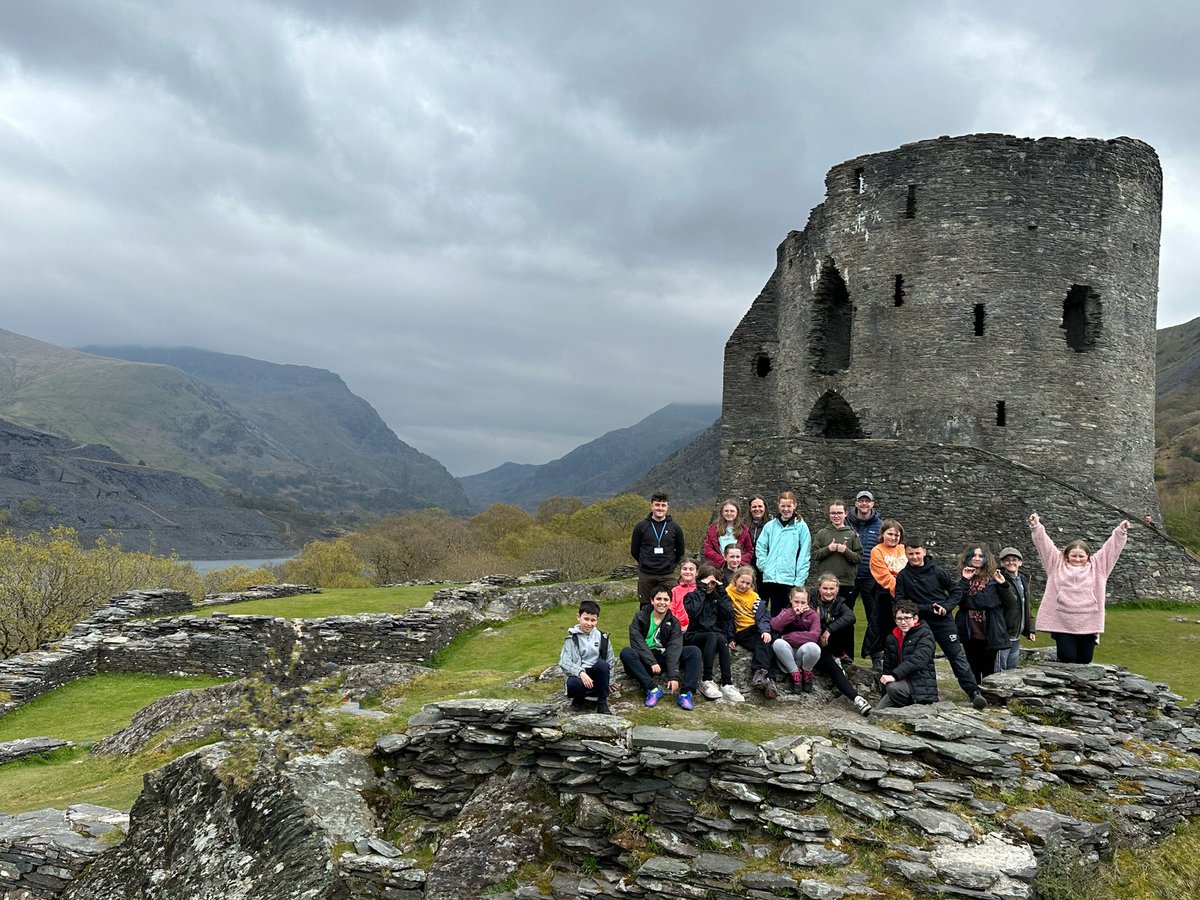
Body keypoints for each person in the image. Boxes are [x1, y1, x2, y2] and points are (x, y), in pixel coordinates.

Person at [894, 537, 988, 710]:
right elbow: (900, 602)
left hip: (944, 622)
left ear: (924, 551)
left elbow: (955, 592)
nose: (914, 557)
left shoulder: (938, 571)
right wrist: (927, 608)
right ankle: (924, 696)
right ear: (905, 554)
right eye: (910, 554)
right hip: (920, 624)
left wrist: (946, 607)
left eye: (917, 553)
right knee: (921, 660)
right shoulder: (903, 576)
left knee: (957, 657)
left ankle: (974, 692)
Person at [1029, 513, 1130, 664]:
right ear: (1066, 555)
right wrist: (1037, 526)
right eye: (1073, 556)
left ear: (1088, 556)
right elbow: (1044, 546)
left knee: (1085, 660)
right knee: (1067, 657)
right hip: (1062, 621)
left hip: (1088, 621)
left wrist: (1120, 532)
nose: (1077, 559)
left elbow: (1111, 550)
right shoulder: (1055, 564)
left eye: (1081, 556)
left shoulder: (1099, 567)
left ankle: (1079, 688)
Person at [620, 589, 701, 709]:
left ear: (670, 602)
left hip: (664, 657)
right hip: (646, 661)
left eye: (666, 599)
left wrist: (673, 676)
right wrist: (651, 662)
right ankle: (652, 689)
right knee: (626, 652)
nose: (662, 602)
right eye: (658, 599)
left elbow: (675, 647)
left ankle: (685, 693)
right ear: (652, 601)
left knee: (694, 651)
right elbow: (637, 641)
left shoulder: (674, 622)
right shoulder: (640, 617)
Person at [950, 545, 1016, 685]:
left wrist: (1003, 585)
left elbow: (1007, 601)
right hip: (969, 630)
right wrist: (965, 581)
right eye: (973, 555)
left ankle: (989, 694)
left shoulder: (994, 578)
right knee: (972, 665)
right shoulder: (963, 578)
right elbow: (955, 599)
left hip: (990, 629)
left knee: (988, 667)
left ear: (986, 559)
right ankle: (976, 695)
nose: (977, 558)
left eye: (980, 556)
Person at [811, 499, 864, 661]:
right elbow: (814, 555)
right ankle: (823, 651)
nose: (836, 516)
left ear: (846, 514)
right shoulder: (822, 534)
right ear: (829, 514)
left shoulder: (852, 534)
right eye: (833, 513)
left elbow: (859, 558)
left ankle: (846, 653)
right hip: (825, 585)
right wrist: (829, 549)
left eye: (839, 513)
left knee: (845, 620)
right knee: (820, 618)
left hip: (845, 583)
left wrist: (845, 551)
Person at [812, 574, 873, 715]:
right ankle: (857, 698)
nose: (828, 592)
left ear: (837, 589)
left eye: (832, 588)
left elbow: (851, 617)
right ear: (819, 588)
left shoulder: (840, 602)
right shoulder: (810, 600)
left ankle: (841, 656)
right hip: (811, 644)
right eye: (825, 588)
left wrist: (829, 629)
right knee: (834, 668)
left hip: (828, 642)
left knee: (847, 625)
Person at [683, 564, 744, 702]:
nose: (710, 586)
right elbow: (693, 613)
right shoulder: (691, 596)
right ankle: (706, 679)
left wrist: (721, 591)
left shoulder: (720, 596)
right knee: (713, 635)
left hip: (715, 636)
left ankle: (727, 683)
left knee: (721, 638)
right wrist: (701, 590)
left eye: (713, 583)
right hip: (695, 635)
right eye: (706, 582)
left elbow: (729, 614)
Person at [754, 491, 812, 616]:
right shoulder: (770, 526)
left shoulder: (801, 527)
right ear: (778, 506)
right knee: (774, 613)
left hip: (790, 579)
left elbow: (804, 554)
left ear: (794, 506)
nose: (786, 509)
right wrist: (764, 566)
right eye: (783, 506)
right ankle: (775, 636)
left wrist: (800, 579)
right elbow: (760, 547)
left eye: (789, 506)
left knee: (790, 615)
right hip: (772, 578)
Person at [877, 600, 938, 709]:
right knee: (878, 713)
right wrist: (883, 694)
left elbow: (918, 660)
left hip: (919, 685)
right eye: (899, 619)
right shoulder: (892, 638)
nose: (903, 622)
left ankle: (914, 707)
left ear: (915, 619)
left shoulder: (925, 634)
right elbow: (887, 668)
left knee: (892, 687)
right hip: (897, 683)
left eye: (907, 618)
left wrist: (894, 676)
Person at [559, 599, 617, 715]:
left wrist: (610, 681)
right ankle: (578, 699)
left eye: (593, 620)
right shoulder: (571, 639)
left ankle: (602, 704)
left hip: (597, 676)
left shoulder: (603, 637)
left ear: (597, 620)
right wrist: (580, 673)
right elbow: (564, 662)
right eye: (586, 619)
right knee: (574, 684)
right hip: (581, 677)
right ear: (578, 617)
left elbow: (610, 660)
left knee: (602, 665)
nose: (589, 623)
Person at [726, 565, 776, 698]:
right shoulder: (727, 593)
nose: (744, 585)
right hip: (742, 630)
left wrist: (765, 630)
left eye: (748, 583)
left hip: (756, 628)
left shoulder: (754, 597)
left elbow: (764, 616)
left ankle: (762, 675)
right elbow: (726, 618)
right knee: (765, 644)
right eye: (742, 582)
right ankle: (769, 678)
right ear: (735, 579)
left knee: (769, 641)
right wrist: (730, 638)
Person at [863, 519, 906, 669]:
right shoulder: (877, 550)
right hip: (885, 593)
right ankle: (877, 656)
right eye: (890, 534)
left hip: (903, 594)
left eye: (896, 535)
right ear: (883, 534)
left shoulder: (903, 549)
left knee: (902, 625)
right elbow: (883, 575)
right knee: (881, 626)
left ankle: (899, 656)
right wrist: (900, 591)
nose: (893, 537)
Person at [630, 491, 686, 607]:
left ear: (667, 507)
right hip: (646, 574)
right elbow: (634, 550)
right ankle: (646, 626)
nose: (660, 508)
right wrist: (645, 562)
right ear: (651, 506)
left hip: (667, 574)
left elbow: (680, 552)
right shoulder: (641, 527)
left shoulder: (675, 528)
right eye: (657, 505)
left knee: (671, 604)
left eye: (663, 505)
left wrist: (670, 564)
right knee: (646, 606)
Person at [847, 490, 884, 651]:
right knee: (845, 617)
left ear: (872, 504)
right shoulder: (846, 523)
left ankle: (875, 654)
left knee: (874, 617)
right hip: (849, 575)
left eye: (867, 501)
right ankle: (845, 653)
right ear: (855, 503)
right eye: (860, 501)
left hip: (870, 577)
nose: (864, 504)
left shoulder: (880, 525)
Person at [771, 587, 823, 693]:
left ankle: (806, 672)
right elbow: (775, 626)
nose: (799, 605)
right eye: (796, 602)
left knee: (814, 648)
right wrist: (792, 614)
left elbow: (814, 636)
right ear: (790, 600)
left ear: (808, 602)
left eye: (803, 602)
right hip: (787, 652)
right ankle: (795, 674)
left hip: (803, 652)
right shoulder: (786, 612)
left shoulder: (813, 616)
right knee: (778, 643)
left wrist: (787, 637)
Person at [995, 547, 1035, 672]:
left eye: (1014, 560)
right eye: (1007, 560)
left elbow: (1027, 606)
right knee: (999, 668)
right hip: (1003, 632)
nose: (1011, 562)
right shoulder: (998, 579)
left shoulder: (1024, 579)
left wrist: (1031, 629)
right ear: (1002, 563)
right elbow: (1011, 602)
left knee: (1012, 668)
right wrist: (1003, 585)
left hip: (1016, 634)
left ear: (1020, 562)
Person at [703, 499, 755, 568]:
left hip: (738, 568)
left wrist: (739, 561)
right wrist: (722, 561)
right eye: (726, 511)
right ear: (722, 512)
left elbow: (749, 550)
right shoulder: (713, 529)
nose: (729, 513)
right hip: (718, 567)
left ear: (737, 512)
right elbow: (708, 549)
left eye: (732, 511)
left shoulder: (744, 530)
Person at [747, 495, 771, 588]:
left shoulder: (772, 524)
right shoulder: (744, 524)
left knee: (763, 598)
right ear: (750, 508)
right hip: (749, 565)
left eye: (760, 506)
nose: (757, 509)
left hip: (765, 565)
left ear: (765, 507)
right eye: (754, 506)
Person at [670, 558, 699, 623]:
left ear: (697, 572)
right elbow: (671, 610)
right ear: (680, 571)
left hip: (697, 628)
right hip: (677, 627)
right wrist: (676, 626)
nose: (688, 572)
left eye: (691, 569)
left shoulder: (700, 589)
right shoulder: (675, 590)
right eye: (684, 569)